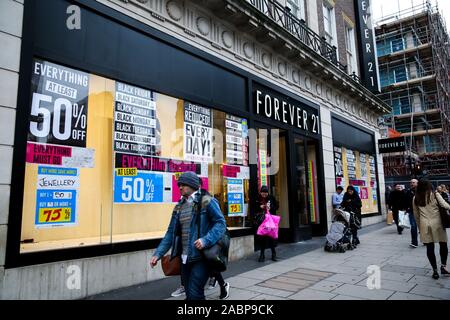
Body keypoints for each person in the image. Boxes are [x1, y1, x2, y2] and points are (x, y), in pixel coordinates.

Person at [150, 171, 226, 300]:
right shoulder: (179, 207)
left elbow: (220, 223)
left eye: (183, 184)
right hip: (184, 258)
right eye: (179, 184)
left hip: (201, 257)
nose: (180, 187)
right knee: (191, 294)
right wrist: (158, 253)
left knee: (195, 294)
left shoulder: (207, 201)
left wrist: (206, 240)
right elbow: (170, 233)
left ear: (193, 185)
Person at [413, 179, 450, 279]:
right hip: (438, 224)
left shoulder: (415, 198)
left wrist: (419, 227)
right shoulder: (435, 194)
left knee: (430, 248)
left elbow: (416, 215)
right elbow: (445, 205)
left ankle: (435, 271)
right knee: (443, 244)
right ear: (429, 185)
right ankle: (443, 266)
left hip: (425, 225)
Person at [255, 185, 279, 262]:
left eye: (265, 193)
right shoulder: (258, 198)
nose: (264, 194)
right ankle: (262, 255)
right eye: (263, 193)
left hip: (270, 221)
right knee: (262, 238)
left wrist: (270, 207)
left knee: (271, 237)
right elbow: (253, 208)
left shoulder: (271, 198)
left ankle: (273, 254)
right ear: (260, 192)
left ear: (268, 193)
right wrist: (259, 207)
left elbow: (276, 207)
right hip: (262, 221)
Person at [405, 179, 419, 248]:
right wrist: (406, 209)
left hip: (421, 212)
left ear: (417, 183)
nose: (411, 184)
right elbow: (406, 201)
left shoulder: (421, 191)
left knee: (423, 227)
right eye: (411, 182)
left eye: (413, 182)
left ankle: (426, 240)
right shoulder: (408, 191)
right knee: (413, 226)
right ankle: (414, 242)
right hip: (412, 211)